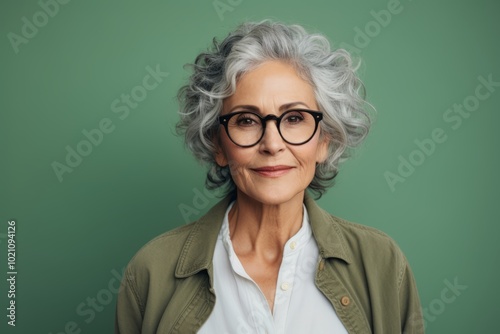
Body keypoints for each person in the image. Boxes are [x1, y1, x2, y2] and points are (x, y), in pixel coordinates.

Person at [115, 20, 424, 334]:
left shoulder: (381, 263)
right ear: (218, 144)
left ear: (324, 140)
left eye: (294, 118)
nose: (272, 144)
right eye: (246, 120)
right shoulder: (151, 272)